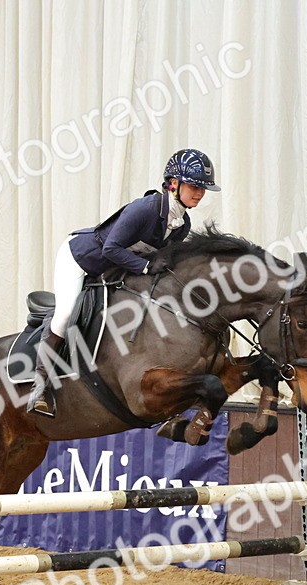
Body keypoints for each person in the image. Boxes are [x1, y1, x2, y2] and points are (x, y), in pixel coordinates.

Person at [28, 148, 220, 416]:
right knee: (65, 314)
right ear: (174, 184)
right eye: (195, 186)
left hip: (115, 269)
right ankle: (40, 387)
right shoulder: (145, 209)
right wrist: (145, 266)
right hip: (81, 258)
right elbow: (110, 248)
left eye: (203, 189)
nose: (199, 193)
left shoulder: (182, 223)